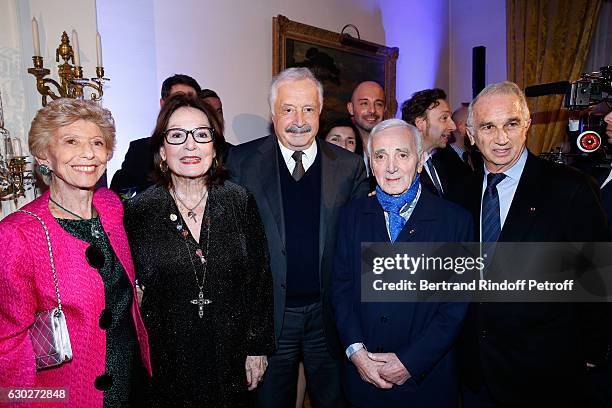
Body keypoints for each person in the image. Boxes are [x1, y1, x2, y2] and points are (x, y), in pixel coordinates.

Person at [459, 81, 609, 407]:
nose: (501, 138)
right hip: (475, 370)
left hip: (546, 370)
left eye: (511, 124)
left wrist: (591, 352)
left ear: (527, 125)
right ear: (471, 134)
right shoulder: (460, 193)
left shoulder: (571, 189)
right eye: (488, 126)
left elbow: (596, 276)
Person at [226, 67, 368, 407]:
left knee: (334, 400)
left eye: (308, 109)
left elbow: (361, 244)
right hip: (272, 317)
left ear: (319, 112)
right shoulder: (241, 162)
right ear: (273, 114)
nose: (298, 120)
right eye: (288, 109)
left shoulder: (349, 168)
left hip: (328, 316)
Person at [124, 93, 274, 407]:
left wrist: (257, 348)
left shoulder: (238, 201)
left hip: (230, 359)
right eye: (177, 135)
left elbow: (259, 280)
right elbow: (131, 292)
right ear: (162, 151)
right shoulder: (140, 211)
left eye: (201, 135)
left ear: (215, 147)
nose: (190, 145)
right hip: (167, 364)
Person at [0, 98, 151, 407]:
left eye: (98, 142)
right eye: (71, 141)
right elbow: (7, 345)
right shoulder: (16, 235)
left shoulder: (110, 207)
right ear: (45, 154)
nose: (88, 153)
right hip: (67, 395)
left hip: (133, 384)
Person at [332, 119, 472, 407]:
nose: (391, 166)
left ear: (420, 161)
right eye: (381, 156)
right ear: (370, 164)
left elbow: (455, 307)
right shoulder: (351, 216)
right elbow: (341, 288)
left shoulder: (455, 222)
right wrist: (356, 352)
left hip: (426, 382)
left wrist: (411, 362)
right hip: (362, 379)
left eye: (402, 154)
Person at [110, 74, 202, 197]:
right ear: (163, 104)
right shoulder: (141, 151)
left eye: (191, 101)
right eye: (178, 100)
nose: (185, 107)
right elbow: (123, 197)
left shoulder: (208, 149)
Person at [401, 89, 478, 211]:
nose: (453, 126)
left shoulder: (447, 163)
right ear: (421, 123)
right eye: (444, 118)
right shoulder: (400, 169)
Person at [347, 81, 385, 175]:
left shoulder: (393, 146)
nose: (372, 110)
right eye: (364, 103)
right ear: (351, 108)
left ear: (385, 109)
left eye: (378, 104)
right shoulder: (342, 146)